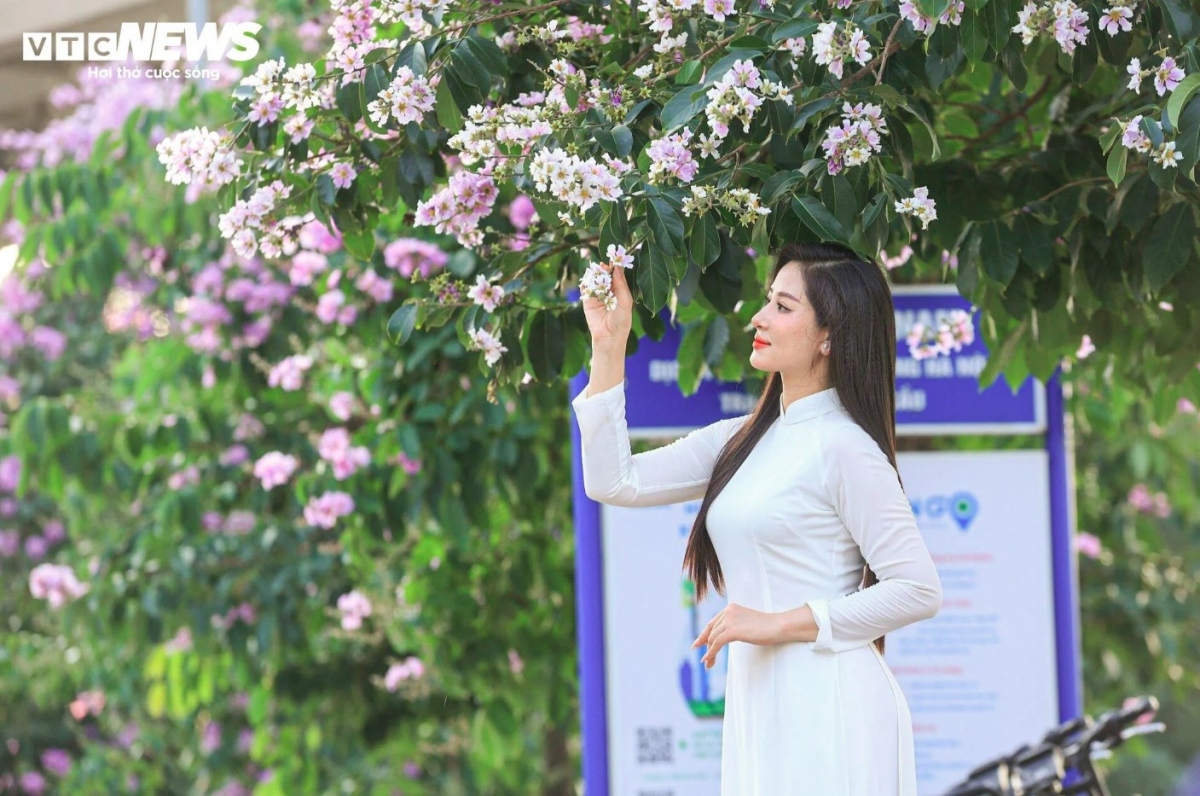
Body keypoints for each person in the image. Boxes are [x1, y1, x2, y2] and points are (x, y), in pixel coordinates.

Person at [570, 242, 943, 796]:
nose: (759, 317)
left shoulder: (844, 447)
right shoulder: (742, 439)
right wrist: (608, 344)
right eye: (768, 300)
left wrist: (775, 623)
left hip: (831, 702)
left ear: (829, 336)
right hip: (758, 697)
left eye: (783, 307)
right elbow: (612, 481)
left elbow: (918, 589)